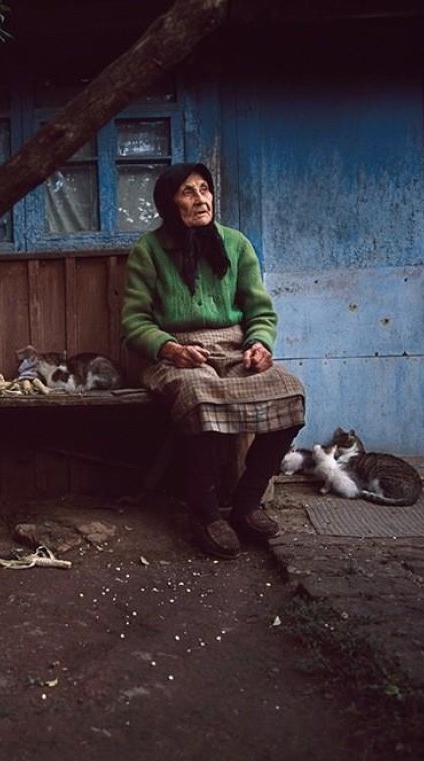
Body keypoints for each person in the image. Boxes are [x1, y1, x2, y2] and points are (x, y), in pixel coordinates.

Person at [121, 163, 305, 559]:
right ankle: (204, 514)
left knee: (290, 392)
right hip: (178, 353)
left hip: (234, 349)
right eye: (188, 192)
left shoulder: (236, 244)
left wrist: (259, 343)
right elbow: (134, 323)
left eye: (205, 189)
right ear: (169, 203)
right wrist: (170, 349)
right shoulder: (149, 251)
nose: (201, 199)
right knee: (199, 395)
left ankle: (246, 504)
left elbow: (260, 311)